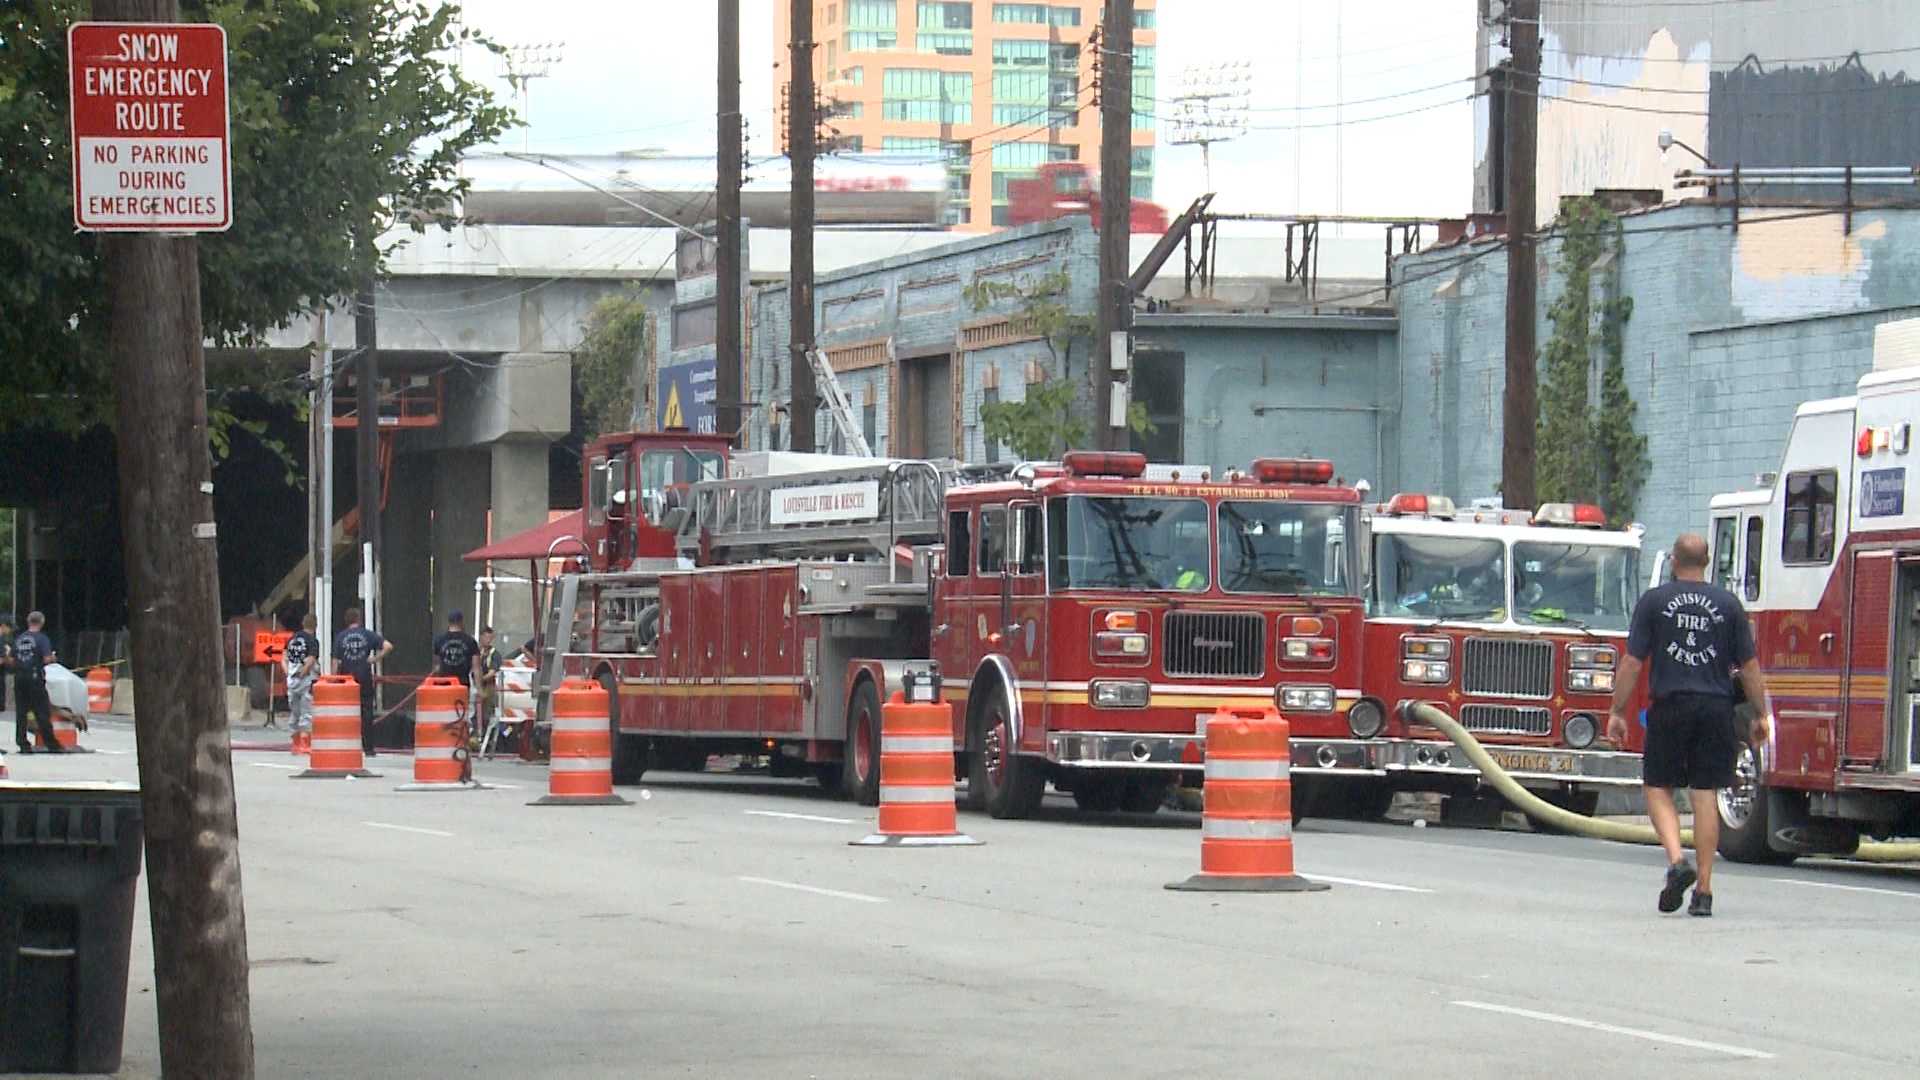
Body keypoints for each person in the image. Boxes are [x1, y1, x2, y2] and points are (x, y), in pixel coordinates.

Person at [1609, 534, 1773, 918]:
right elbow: (1749, 667)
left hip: (1671, 704)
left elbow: (1633, 661)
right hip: (1716, 708)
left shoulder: (1654, 602)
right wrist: (1761, 714)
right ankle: (1704, 891)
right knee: (1705, 794)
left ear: (1673, 561)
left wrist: (1617, 710)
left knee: (1657, 785)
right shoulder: (1729, 605)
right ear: (1708, 560)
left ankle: (1675, 860)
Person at [333, 607, 392, 755]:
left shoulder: (340, 637)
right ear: (358, 620)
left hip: (347, 680)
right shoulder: (367, 634)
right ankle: (369, 748)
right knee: (367, 713)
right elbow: (388, 646)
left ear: (346, 621)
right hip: (364, 676)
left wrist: (334, 680)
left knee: (347, 713)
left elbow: (335, 661)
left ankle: (348, 745)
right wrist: (374, 659)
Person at [11, 611, 61, 754]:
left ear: (28, 622)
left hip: (19, 678)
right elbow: (46, 659)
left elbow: (11, 659)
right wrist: (53, 658)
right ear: (42, 622)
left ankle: (23, 744)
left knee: (21, 713)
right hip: (35, 678)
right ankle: (51, 744)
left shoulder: (19, 638)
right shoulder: (42, 639)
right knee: (42, 711)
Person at [283, 613, 322, 752]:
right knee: (307, 711)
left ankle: (295, 743)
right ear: (315, 625)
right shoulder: (312, 641)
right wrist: (304, 672)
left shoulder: (292, 639)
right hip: (306, 679)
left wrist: (288, 673)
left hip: (291, 679)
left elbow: (284, 658)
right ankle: (305, 744)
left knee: (294, 712)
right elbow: (311, 660)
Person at [431, 610, 482, 687]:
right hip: (462, 684)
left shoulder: (439, 640)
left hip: (443, 684)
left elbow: (436, 666)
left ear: (449, 622)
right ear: (461, 622)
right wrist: (479, 689)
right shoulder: (470, 641)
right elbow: (476, 668)